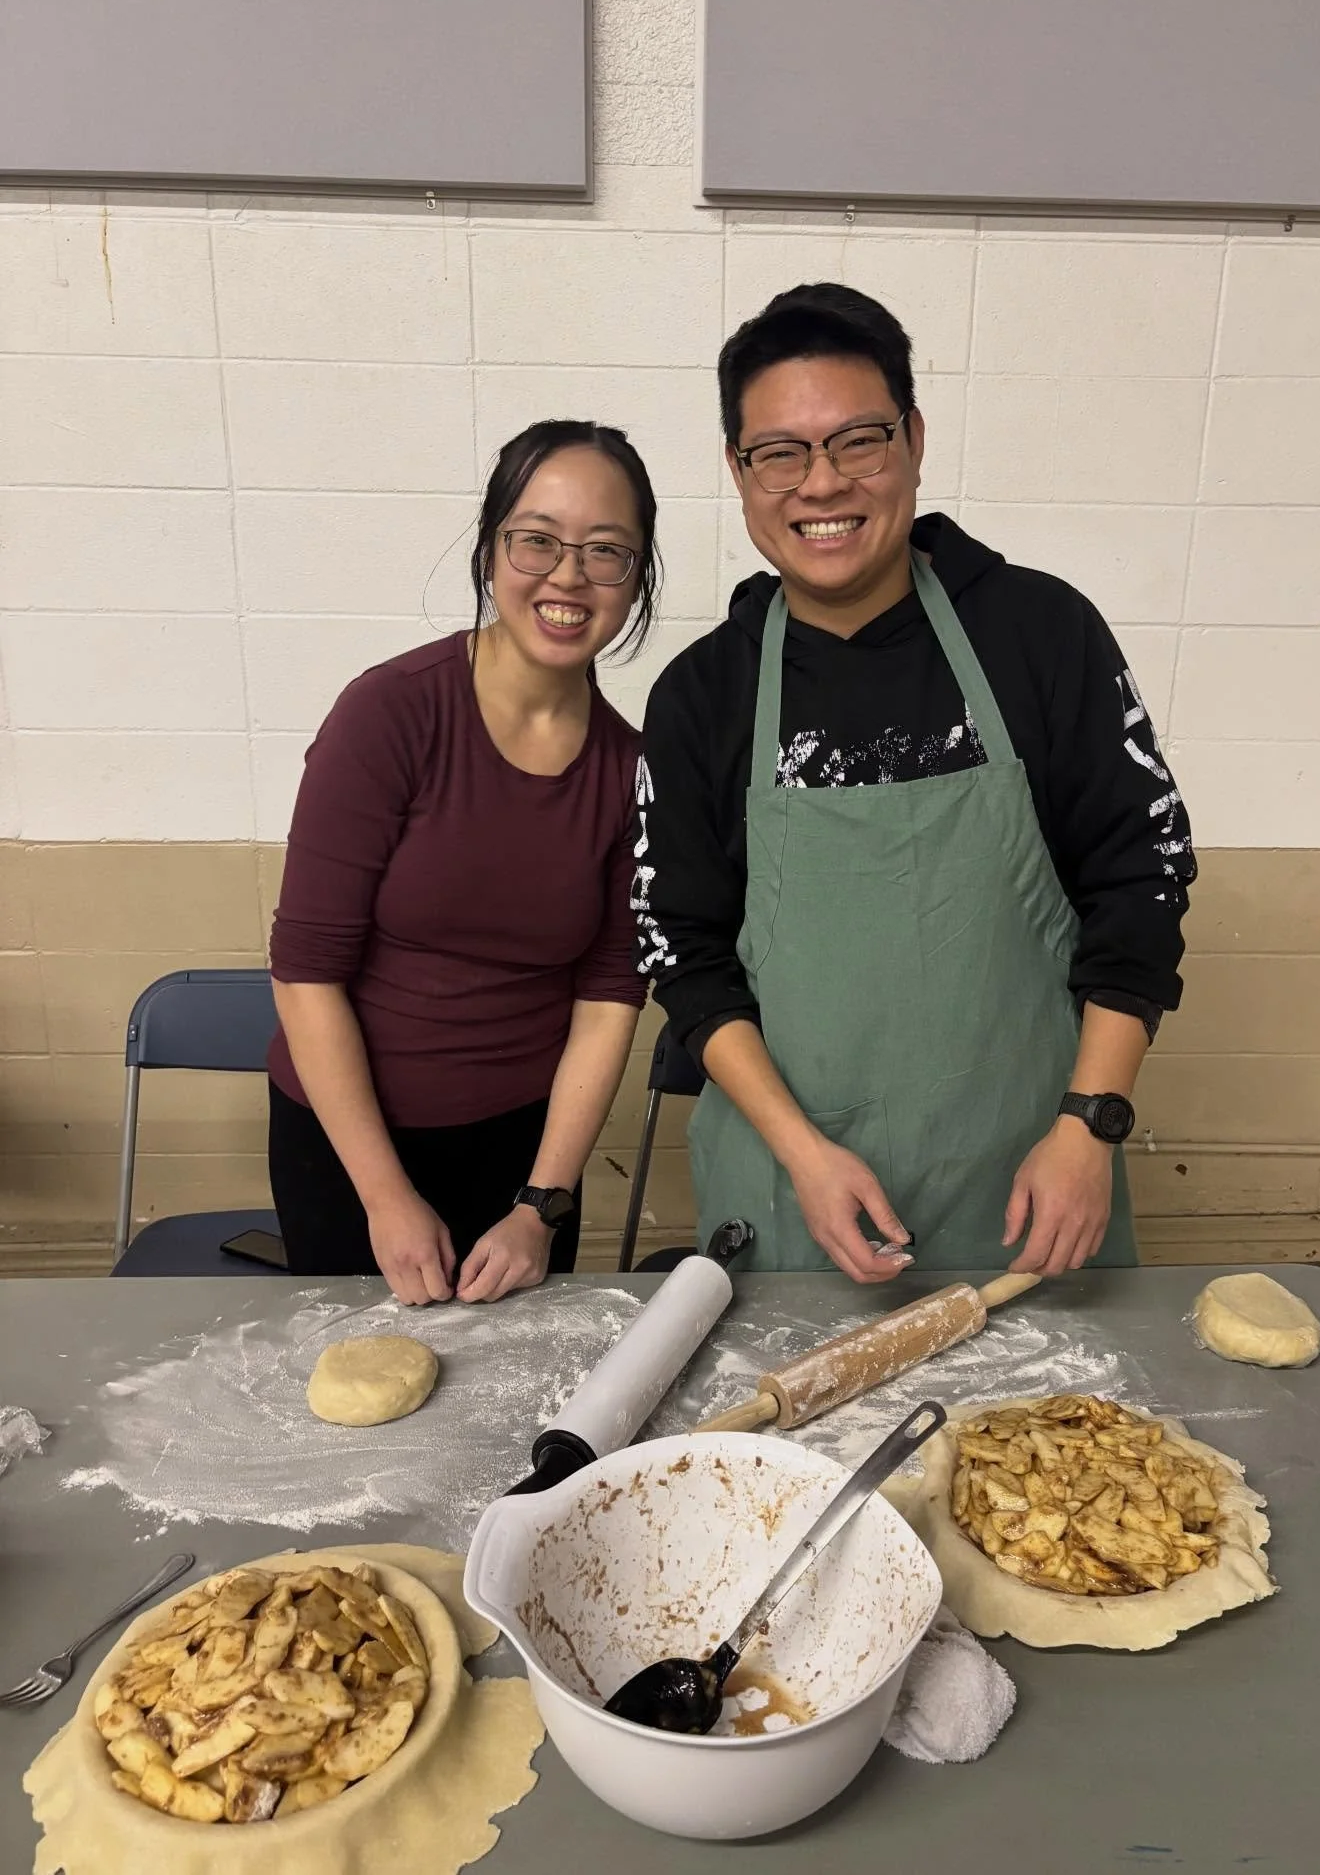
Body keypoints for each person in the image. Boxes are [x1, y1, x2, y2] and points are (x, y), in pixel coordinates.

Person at [635, 285, 1195, 1283]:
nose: (822, 483)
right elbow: (684, 953)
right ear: (738, 469)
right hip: (793, 1205)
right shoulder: (702, 696)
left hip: (1033, 1193)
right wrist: (803, 1157)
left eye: (858, 440)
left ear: (914, 441)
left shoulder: (1040, 634)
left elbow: (1140, 881)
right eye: (782, 452)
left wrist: (1090, 1125)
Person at [267, 420, 656, 1305]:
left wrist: (540, 1204)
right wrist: (386, 1197)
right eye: (538, 542)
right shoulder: (390, 716)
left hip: (527, 1157)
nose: (568, 575)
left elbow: (609, 998)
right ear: (490, 552)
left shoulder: (633, 770)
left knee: (514, 1409)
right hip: (349, 1145)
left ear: (635, 582)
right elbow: (307, 973)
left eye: (607, 552)